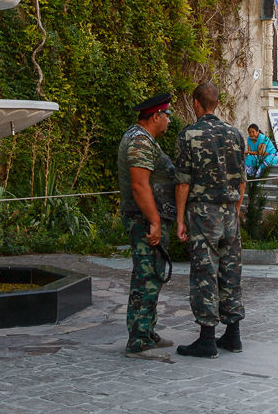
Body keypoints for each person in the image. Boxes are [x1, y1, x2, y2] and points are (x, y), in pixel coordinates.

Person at [175, 82, 248, 358]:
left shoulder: (188, 135)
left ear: (196, 103)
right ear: (216, 103)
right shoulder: (235, 134)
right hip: (230, 211)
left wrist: (180, 219)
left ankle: (207, 338)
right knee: (231, 271)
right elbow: (242, 180)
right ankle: (233, 335)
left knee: (205, 271)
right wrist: (236, 210)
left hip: (204, 213)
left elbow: (183, 183)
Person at [118, 92, 177, 359]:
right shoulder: (139, 141)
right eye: (167, 116)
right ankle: (138, 340)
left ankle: (146, 331)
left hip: (149, 219)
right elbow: (140, 185)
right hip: (144, 221)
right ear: (156, 116)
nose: (168, 121)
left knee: (151, 276)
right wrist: (154, 221)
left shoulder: (143, 139)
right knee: (146, 277)